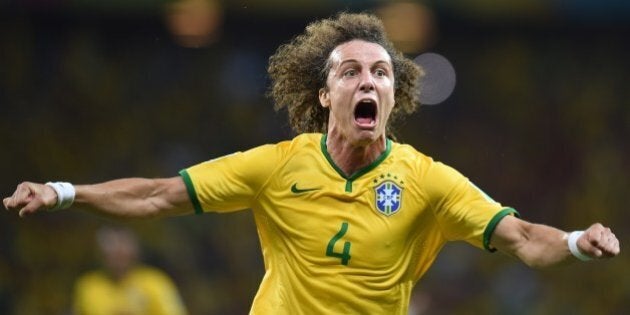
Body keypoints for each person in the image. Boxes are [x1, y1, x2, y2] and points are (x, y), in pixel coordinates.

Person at [3, 13, 620, 314]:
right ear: (325, 94)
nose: (367, 80)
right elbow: (159, 194)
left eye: (380, 71)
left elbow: (521, 238)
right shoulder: (276, 166)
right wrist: (62, 191)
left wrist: (573, 240)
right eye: (350, 71)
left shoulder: (427, 180)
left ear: (394, 94)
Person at [73, 226, 188, 315]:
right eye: (112, 253)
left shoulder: (155, 283)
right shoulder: (88, 286)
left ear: (134, 253)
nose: (117, 258)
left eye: (122, 253)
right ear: (101, 255)